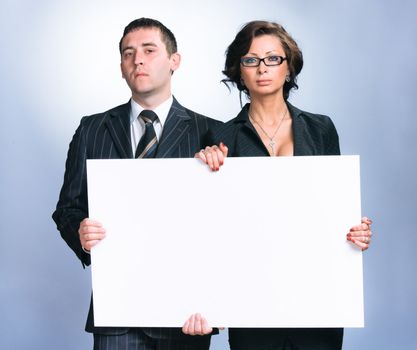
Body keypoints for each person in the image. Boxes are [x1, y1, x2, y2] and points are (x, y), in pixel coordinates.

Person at [182, 20, 373, 350]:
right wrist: (207, 169)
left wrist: (354, 231)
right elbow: (215, 228)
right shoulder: (221, 137)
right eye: (250, 60)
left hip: (318, 296)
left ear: (289, 66)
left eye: (272, 59)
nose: (262, 68)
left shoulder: (320, 129)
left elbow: (333, 207)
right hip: (253, 299)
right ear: (239, 71)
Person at [52, 18, 221, 350]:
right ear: (121, 67)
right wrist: (81, 235)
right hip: (118, 314)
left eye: (149, 50)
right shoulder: (92, 129)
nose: (138, 60)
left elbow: (226, 224)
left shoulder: (211, 132)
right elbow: (68, 208)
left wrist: (217, 301)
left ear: (175, 61)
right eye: (128, 53)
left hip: (187, 314)